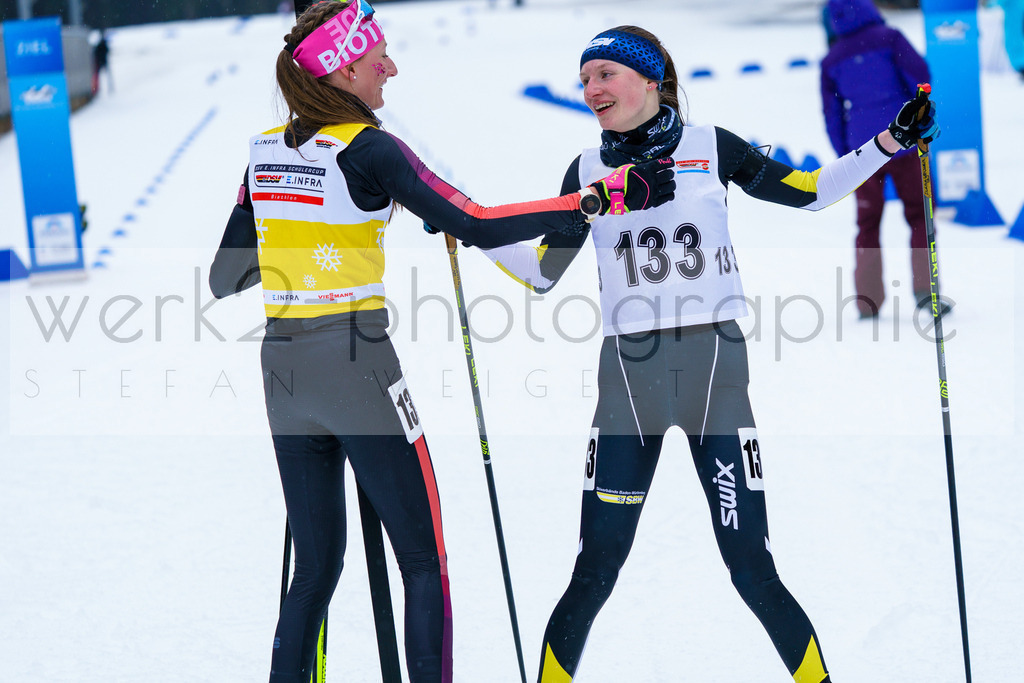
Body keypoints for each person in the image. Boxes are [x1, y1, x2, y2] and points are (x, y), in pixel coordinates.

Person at [207, 3, 672, 682]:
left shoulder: (264, 150)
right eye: (378, 60)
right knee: (424, 563)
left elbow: (228, 276)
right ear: (340, 69)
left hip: (282, 368)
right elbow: (476, 221)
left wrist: (292, 226)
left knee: (313, 569)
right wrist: (598, 199)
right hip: (356, 362)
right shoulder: (370, 148)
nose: (390, 69)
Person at [476, 25, 937, 682]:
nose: (591, 89)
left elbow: (808, 190)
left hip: (716, 381)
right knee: (594, 569)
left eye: (604, 73)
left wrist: (890, 140)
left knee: (752, 567)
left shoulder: (709, 148)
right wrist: (471, 227)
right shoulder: (586, 172)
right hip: (628, 388)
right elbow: (543, 271)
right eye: (585, 79)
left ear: (651, 79)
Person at [820, 0, 942, 319]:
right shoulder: (890, 37)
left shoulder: (831, 59)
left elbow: (831, 114)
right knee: (920, 215)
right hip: (904, 142)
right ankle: (926, 292)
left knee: (867, 223)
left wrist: (846, 154)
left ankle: (867, 301)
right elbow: (921, 77)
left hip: (863, 152)